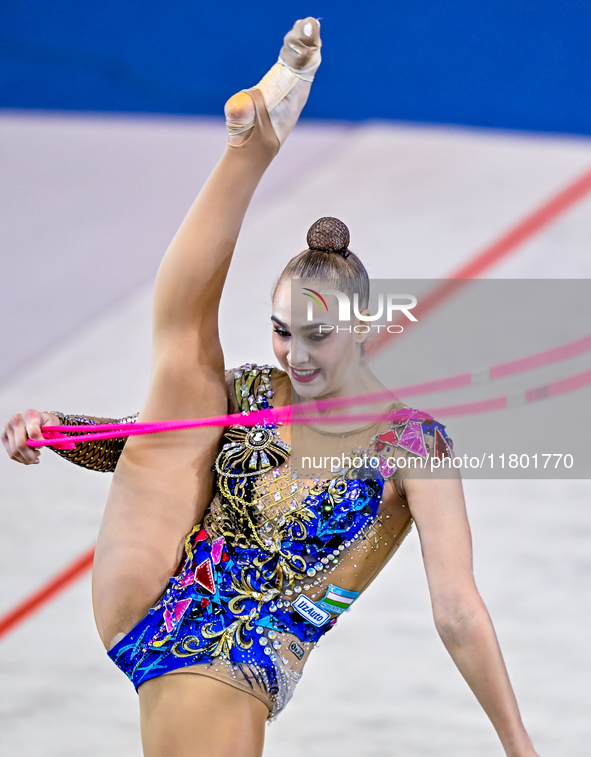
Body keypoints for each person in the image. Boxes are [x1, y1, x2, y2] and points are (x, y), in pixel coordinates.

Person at [2, 18, 540, 757]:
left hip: (201, 636)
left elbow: (457, 609)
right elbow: (143, 441)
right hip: (211, 653)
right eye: (283, 330)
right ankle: (248, 147)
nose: (294, 354)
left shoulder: (412, 443)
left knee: (185, 354)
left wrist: (518, 744)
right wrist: (57, 428)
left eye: (316, 336)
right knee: (184, 352)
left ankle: (251, 145)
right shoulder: (255, 387)